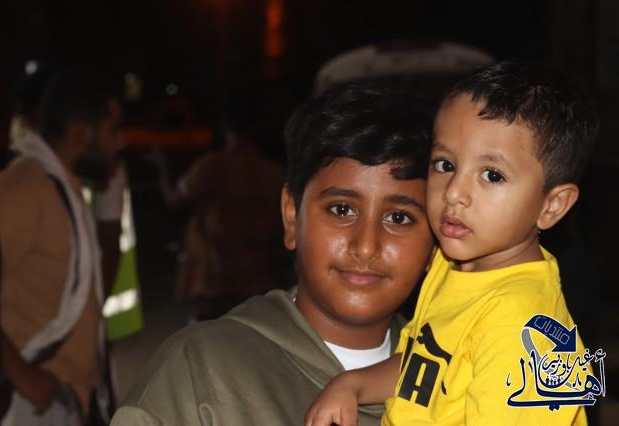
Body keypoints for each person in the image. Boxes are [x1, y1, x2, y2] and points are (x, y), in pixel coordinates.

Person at [110, 81, 435, 425]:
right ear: (292, 216)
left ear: (436, 243)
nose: (366, 246)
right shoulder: (199, 376)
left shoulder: (456, 377)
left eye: (399, 218)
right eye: (341, 210)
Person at [305, 60, 600, 426]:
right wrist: (353, 384)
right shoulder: (453, 265)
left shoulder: (522, 327)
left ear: (552, 206)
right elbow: (426, 367)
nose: (455, 193)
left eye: (492, 175)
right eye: (445, 165)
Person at [0, 66, 124, 425]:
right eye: (112, 130)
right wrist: (22, 375)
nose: (120, 143)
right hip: (30, 407)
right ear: (80, 134)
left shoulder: (61, 189)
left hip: (64, 402)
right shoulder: (23, 190)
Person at [150, 85, 289, 320]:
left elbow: (175, 201)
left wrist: (163, 167)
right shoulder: (274, 174)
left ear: (224, 125)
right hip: (259, 285)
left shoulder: (211, 167)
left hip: (215, 283)